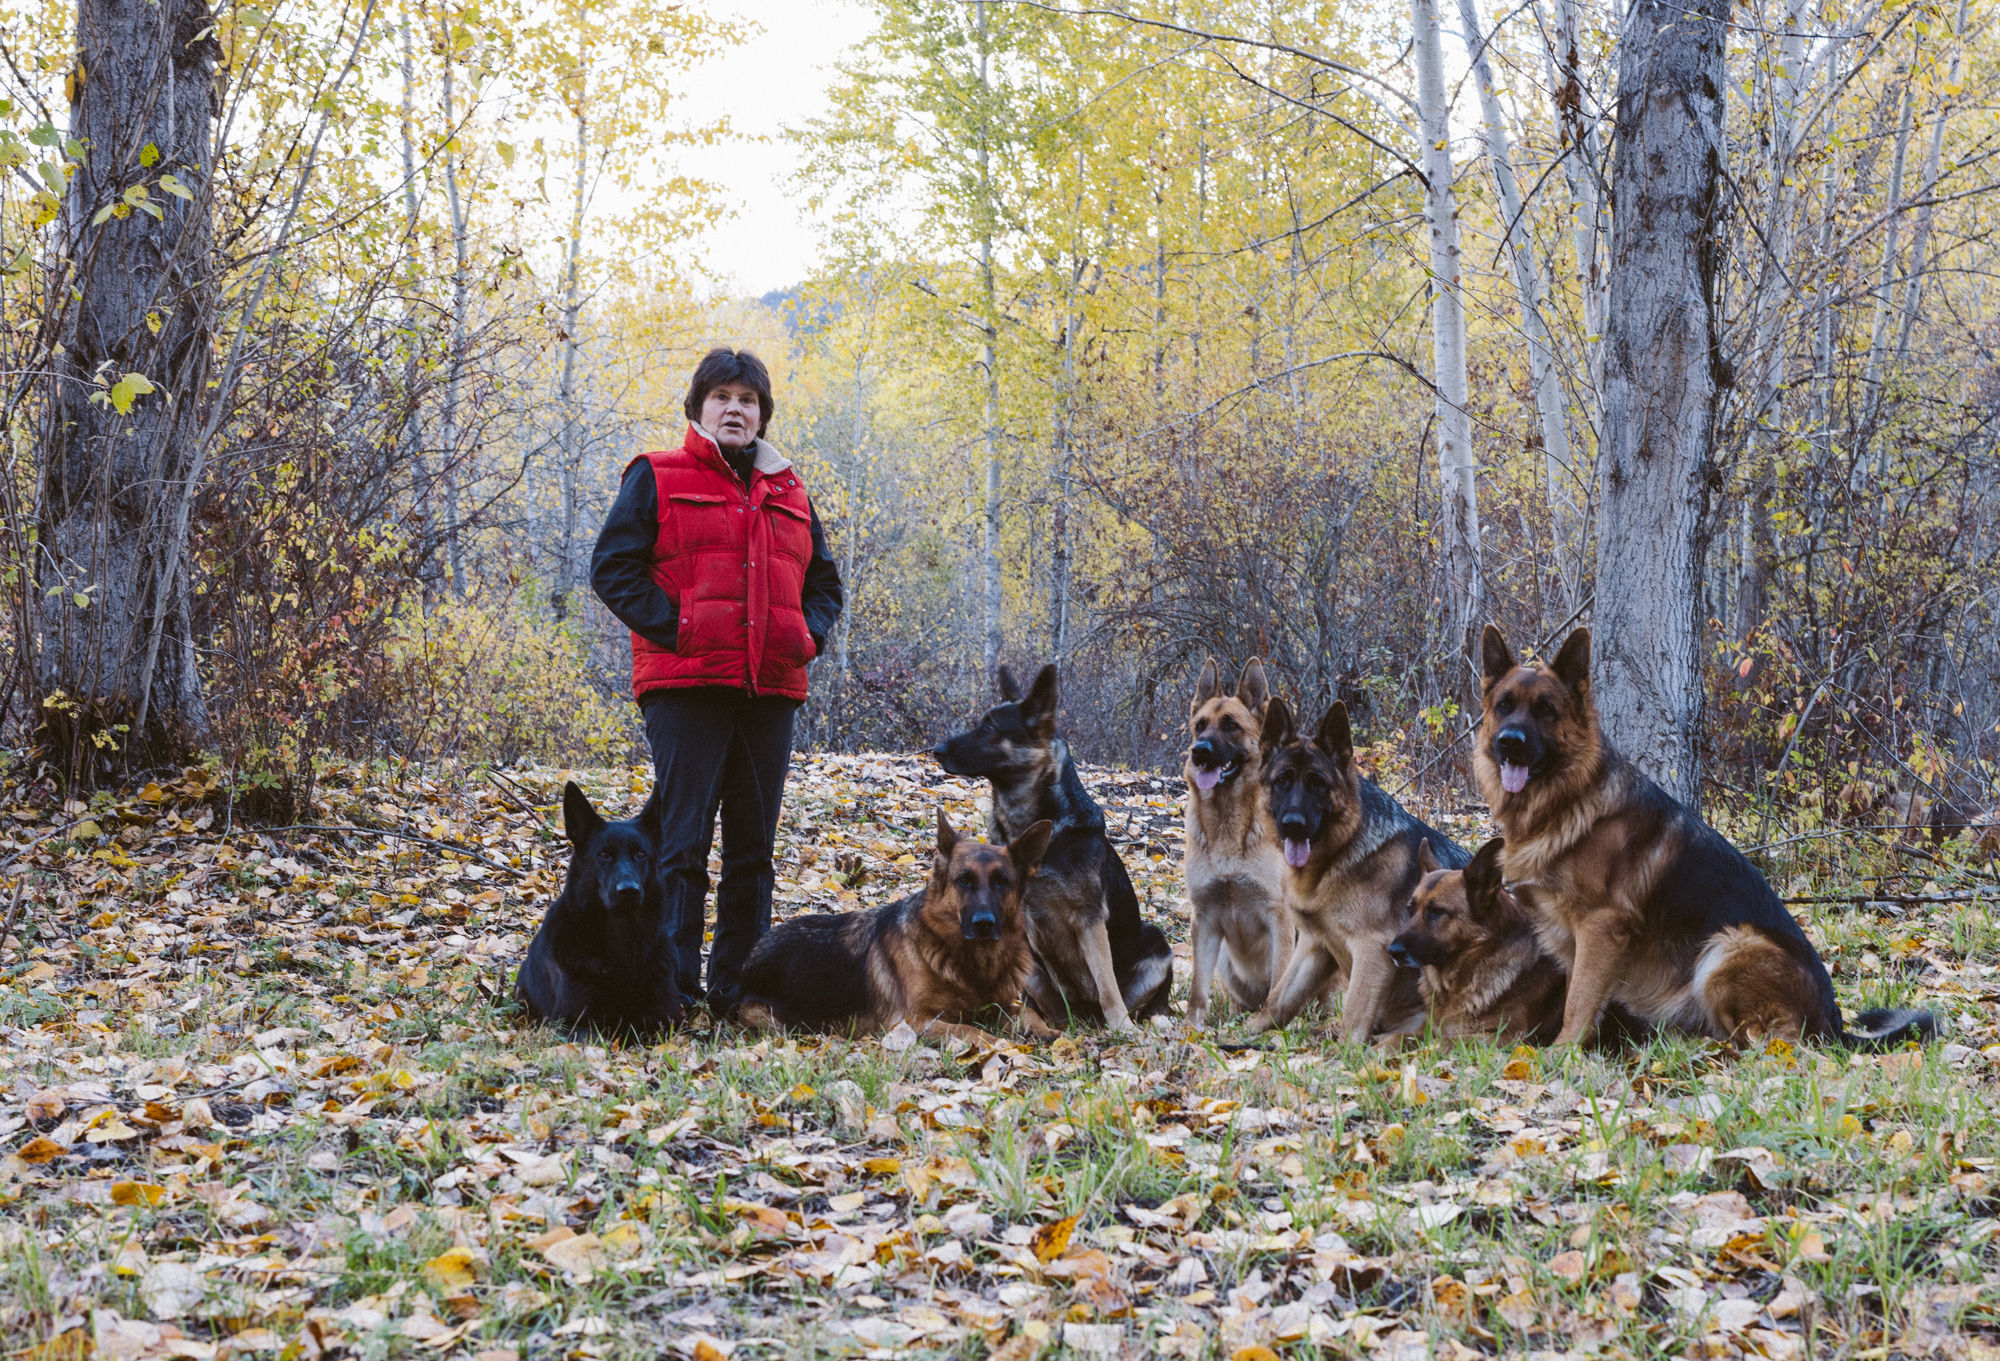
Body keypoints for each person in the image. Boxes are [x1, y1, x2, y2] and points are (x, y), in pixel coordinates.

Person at [590, 347, 843, 1020]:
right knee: (683, 844)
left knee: (754, 851)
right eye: (723, 397)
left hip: (771, 691)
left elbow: (824, 585)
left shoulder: (790, 491)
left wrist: (804, 637)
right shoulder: (656, 475)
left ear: (762, 414)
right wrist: (682, 628)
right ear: (698, 408)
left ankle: (738, 989)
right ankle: (671, 989)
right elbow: (613, 568)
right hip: (686, 688)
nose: (737, 408)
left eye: (749, 400)